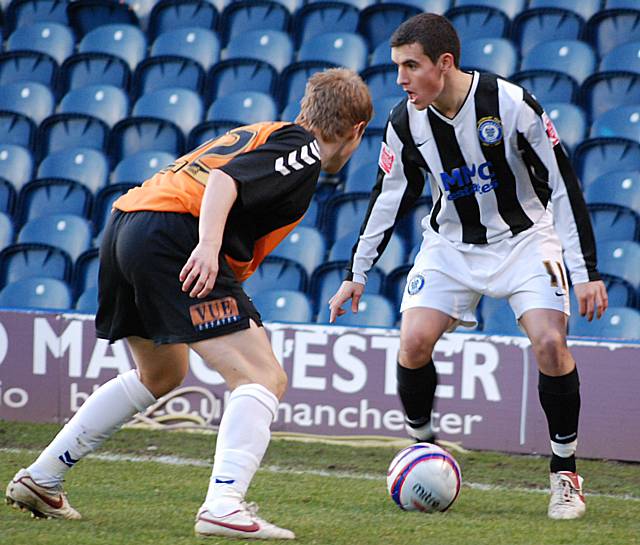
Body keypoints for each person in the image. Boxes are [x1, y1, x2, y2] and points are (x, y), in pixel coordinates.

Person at [6, 68, 372, 539]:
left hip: (127, 224)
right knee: (263, 377)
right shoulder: (303, 151)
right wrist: (206, 243)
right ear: (356, 130)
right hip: (174, 236)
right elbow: (223, 183)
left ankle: (42, 478)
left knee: (161, 374)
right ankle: (223, 504)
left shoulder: (266, 132)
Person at [329, 13, 608, 521]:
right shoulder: (403, 122)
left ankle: (565, 473)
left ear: (445, 63)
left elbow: (563, 185)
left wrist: (584, 269)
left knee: (550, 343)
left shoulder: (512, 104)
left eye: (411, 66)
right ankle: (422, 450)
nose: (401, 79)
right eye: (397, 67)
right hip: (451, 246)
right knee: (412, 343)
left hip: (526, 240)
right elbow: (387, 199)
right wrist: (357, 272)